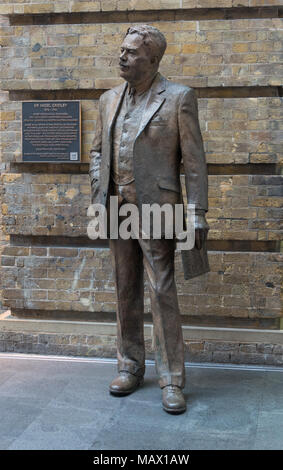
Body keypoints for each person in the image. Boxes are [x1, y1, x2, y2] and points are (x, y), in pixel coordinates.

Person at [89, 24, 209, 414]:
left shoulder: (178, 98)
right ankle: (129, 365)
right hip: (115, 206)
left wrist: (196, 212)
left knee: (161, 291)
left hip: (158, 208)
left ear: (153, 59)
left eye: (131, 52)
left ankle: (172, 378)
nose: (122, 56)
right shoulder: (108, 99)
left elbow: (194, 163)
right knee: (125, 287)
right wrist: (99, 184)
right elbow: (96, 152)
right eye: (121, 49)